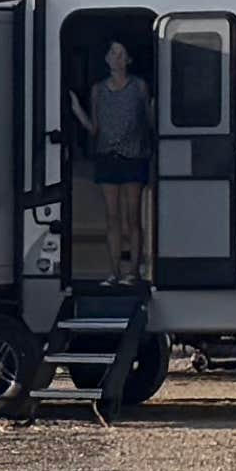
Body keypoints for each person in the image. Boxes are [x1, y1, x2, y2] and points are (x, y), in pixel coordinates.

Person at [69, 27, 155, 287]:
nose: (115, 58)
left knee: (133, 216)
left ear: (128, 59)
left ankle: (134, 272)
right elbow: (95, 129)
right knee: (112, 216)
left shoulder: (139, 87)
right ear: (106, 59)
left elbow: (149, 123)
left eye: (120, 54)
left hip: (133, 156)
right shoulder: (98, 90)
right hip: (107, 156)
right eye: (112, 53)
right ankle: (114, 271)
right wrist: (76, 109)